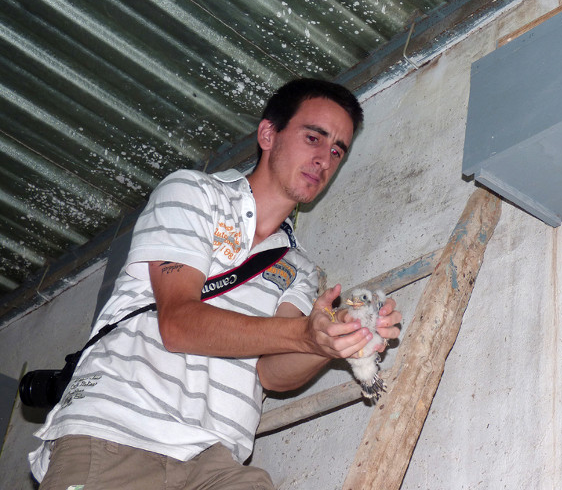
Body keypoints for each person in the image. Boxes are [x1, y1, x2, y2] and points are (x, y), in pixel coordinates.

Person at [29, 78, 402, 490]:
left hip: (218, 461)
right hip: (118, 435)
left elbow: (272, 375)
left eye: (336, 150)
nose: (324, 159)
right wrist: (301, 332)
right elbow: (179, 324)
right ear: (268, 134)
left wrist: (330, 341)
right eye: (313, 137)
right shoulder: (193, 193)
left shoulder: (301, 269)